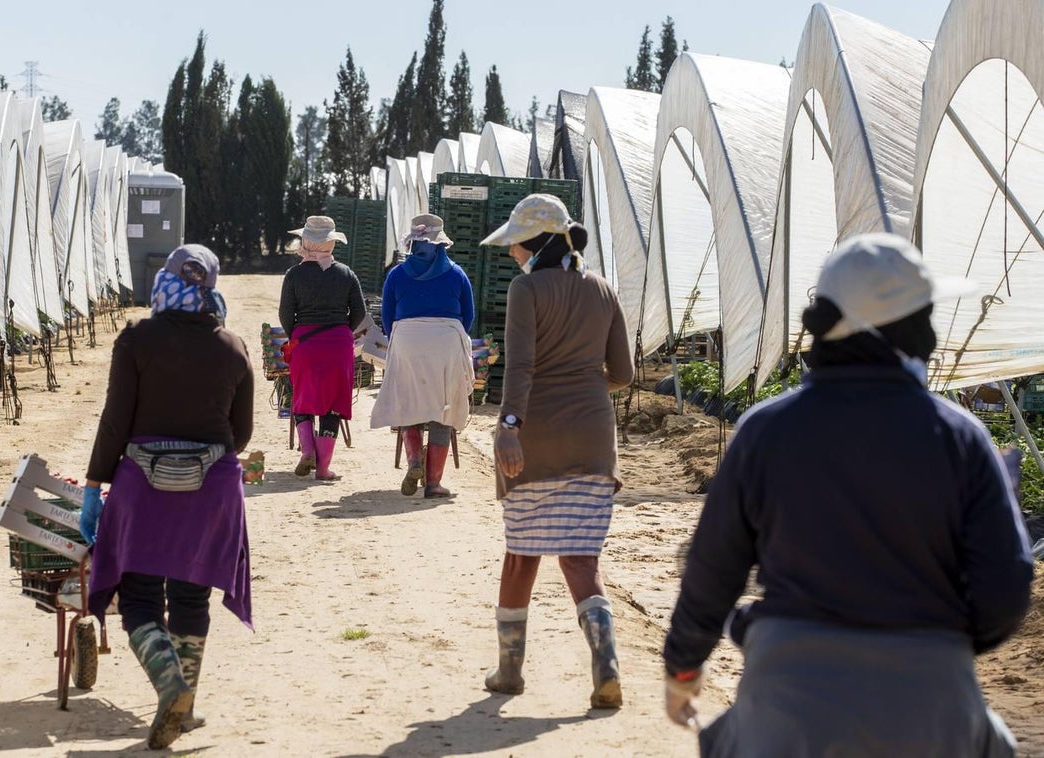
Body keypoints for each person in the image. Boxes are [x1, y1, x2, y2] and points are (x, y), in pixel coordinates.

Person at [663, 233, 1035, 755]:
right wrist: (933, 646)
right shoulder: (961, 437)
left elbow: (712, 570)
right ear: (907, 329)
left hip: (788, 700)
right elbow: (1005, 589)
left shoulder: (766, 431)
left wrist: (683, 666)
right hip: (931, 703)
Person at [79, 244, 254, 750]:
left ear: (164, 281)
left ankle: (168, 685)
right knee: (191, 592)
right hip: (212, 487)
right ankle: (187, 703)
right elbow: (239, 436)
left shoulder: (136, 339)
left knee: (135, 592)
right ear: (211, 287)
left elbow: (116, 422)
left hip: (143, 482)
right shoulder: (233, 347)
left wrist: (94, 485)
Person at [477, 194, 634, 709]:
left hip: (535, 437)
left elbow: (519, 367)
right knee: (582, 560)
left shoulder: (527, 289)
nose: (511, 254)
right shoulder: (604, 289)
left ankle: (508, 672)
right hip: (593, 439)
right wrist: (584, 390)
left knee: (521, 556)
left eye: (516, 244)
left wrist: (509, 426)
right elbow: (624, 375)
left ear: (535, 244)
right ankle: (606, 662)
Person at [370, 213, 475, 497]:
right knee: (444, 408)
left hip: (407, 341)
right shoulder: (456, 273)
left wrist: (405, 339)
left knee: (409, 400)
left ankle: (414, 460)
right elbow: (468, 317)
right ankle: (433, 483)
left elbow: (388, 318)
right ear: (440, 244)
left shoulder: (396, 274)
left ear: (413, 243)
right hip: (446, 344)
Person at [280, 216, 367, 481]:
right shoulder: (346, 273)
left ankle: (307, 450)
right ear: (331, 243)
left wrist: (296, 334)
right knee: (333, 404)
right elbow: (360, 313)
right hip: (339, 344)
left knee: (302, 397)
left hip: (304, 343)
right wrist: (340, 331)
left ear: (305, 240)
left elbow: (286, 314)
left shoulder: (294, 275)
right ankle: (323, 468)